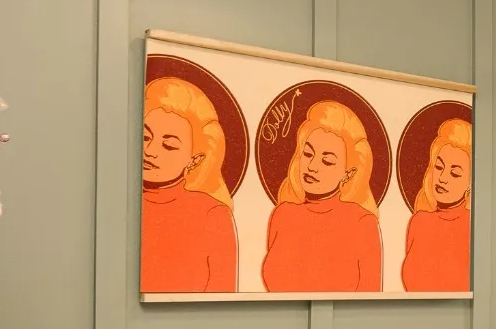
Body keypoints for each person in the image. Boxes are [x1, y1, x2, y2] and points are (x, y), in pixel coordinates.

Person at [261, 99, 382, 292]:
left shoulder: (362, 222)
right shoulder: (282, 215)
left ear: (348, 173)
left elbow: (369, 295)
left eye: (327, 161)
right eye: (308, 154)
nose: (312, 167)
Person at [140, 76, 237, 293]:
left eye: (168, 145)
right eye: (145, 137)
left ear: (195, 159)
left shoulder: (212, 214)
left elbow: (221, 294)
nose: (150, 151)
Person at [400, 116, 471, 292]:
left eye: (455, 173)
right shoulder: (418, 221)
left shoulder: (471, 225)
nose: (443, 178)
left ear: (471, 184)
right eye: (439, 167)